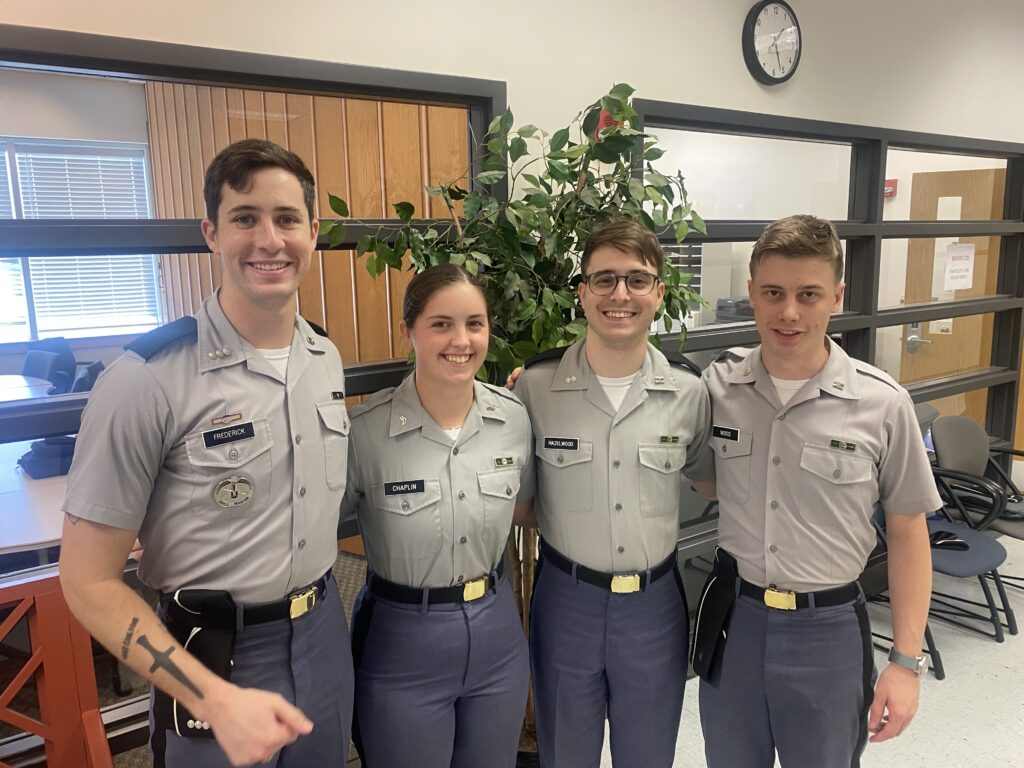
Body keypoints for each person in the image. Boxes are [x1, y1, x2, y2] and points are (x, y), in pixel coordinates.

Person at [59, 139, 353, 768]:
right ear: (211, 233)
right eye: (245, 218)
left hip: (325, 634)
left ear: (313, 232)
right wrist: (211, 697)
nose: (269, 240)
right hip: (210, 653)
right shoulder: (148, 379)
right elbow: (85, 580)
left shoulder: (324, 358)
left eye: (287, 218)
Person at [694, 214, 940, 767]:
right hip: (736, 621)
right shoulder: (717, 387)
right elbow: (695, 465)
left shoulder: (883, 403)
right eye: (773, 293)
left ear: (837, 297)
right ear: (752, 294)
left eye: (809, 294)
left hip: (826, 633)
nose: (789, 312)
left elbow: (907, 532)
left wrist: (905, 661)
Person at [513, 218, 715, 768]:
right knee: (566, 754)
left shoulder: (689, 392)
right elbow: (523, 508)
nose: (619, 294)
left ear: (659, 293)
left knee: (649, 755)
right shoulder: (534, 387)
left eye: (636, 280)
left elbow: (711, 479)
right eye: (603, 280)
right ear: (581, 292)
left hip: (654, 608)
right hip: (565, 602)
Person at [342, 263, 535, 768]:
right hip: (401, 644)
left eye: (475, 323)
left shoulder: (513, 419)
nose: (461, 340)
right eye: (441, 324)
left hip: (497, 637)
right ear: (409, 331)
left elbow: (526, 510)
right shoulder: (363, 433)